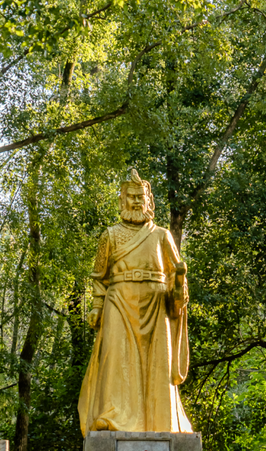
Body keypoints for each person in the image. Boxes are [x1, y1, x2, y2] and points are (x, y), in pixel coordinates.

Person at [78, 169, 193, 435]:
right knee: (115, 359)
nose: (136, 202)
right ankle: (112, 417)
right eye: (131, 197)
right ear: (122, 200)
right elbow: (99, 277)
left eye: (141, 197)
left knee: (159, 364)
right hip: (119, 300)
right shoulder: (109, 236)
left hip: (156, 303)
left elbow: (176, 277)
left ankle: (162, 420)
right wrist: (96, 306)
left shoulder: (162, 235)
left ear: (149, 200)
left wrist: (179, 285)